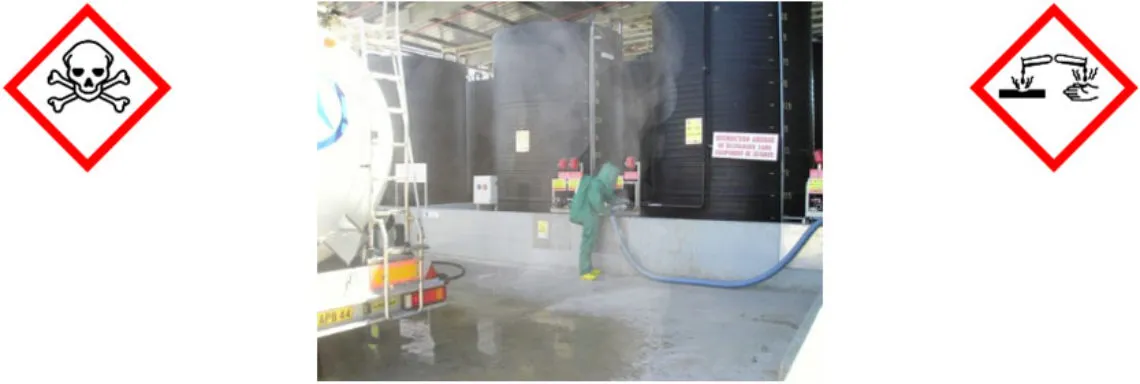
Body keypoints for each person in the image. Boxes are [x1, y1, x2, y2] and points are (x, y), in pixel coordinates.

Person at [568, 162, 625, 281]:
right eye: (614, 177)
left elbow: (609, 196)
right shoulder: (596, 184)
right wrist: (608, 210)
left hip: (590, 215)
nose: (614, 181)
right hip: (586, 214)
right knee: (587, 242)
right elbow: (597, 204)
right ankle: (584, 271)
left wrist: (621, 201)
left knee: (590, 242)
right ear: (609, 176)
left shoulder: (601, 185)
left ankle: (589, 268)